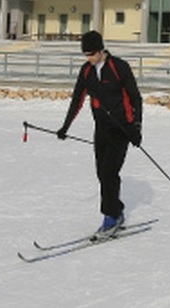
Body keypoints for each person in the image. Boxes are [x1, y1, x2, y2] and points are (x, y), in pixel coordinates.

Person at [57, 31, 143, 235]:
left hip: (122, 129)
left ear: (101, 50)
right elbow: (77, 100)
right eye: (85, 55)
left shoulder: (119, 67)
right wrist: (65, 127)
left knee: (109, 173)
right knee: (101, 174)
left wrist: (136, 127)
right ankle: (117, 209)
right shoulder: (86, 71)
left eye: (92, 54)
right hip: (101, 130)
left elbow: (135, 97)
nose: (89, 58)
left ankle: (110, 218)